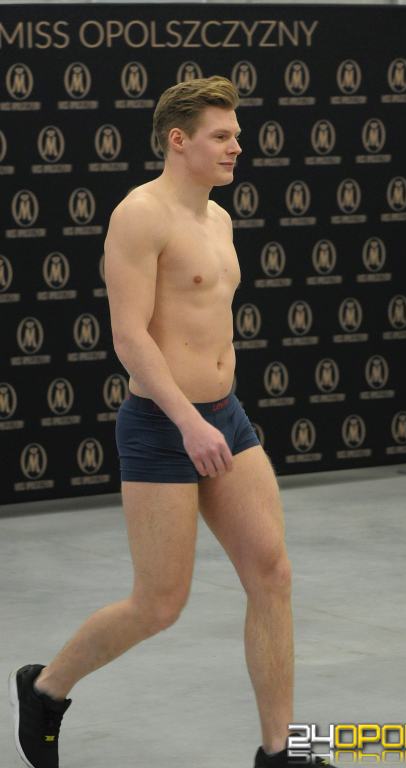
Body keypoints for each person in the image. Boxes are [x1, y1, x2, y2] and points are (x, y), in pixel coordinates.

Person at [9, 75, 327, 768]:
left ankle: (282, 752)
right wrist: (187, 422)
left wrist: (212, 416)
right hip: (162, 424)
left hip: (226, 418)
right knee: (159, 603)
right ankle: (45, 688)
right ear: (178, 140)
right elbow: (129, 338)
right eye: (222, 136)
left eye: (237, 135)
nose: (236, 147)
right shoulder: (139, 215)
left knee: (272, 574)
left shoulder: (220, 220)